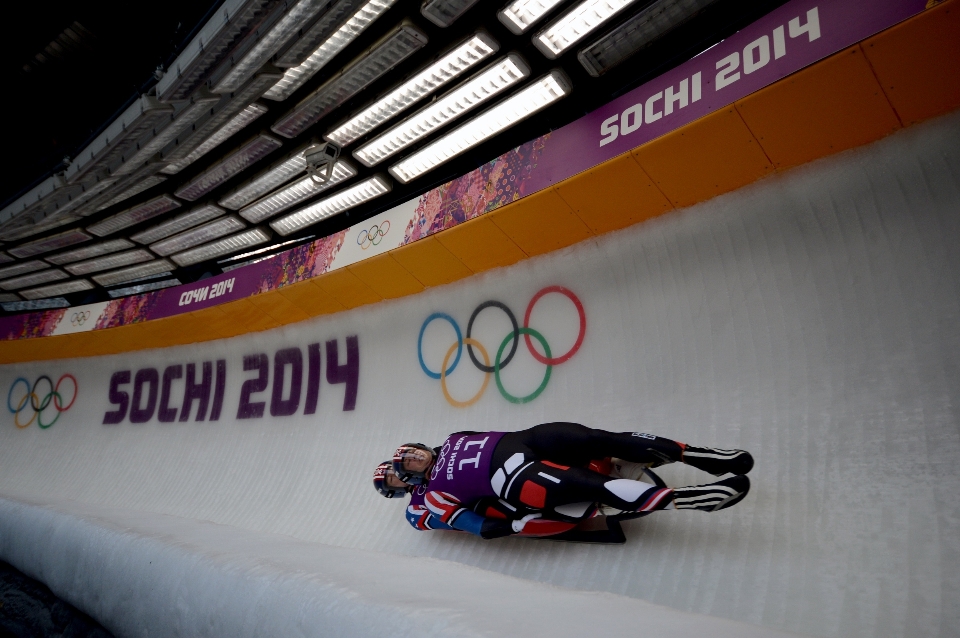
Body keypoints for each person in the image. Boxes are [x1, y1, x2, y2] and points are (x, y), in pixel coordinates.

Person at [373, 422, 753, 540]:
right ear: (406, 480)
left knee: (598, 438)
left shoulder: (454, 438)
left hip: (527, 440)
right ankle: (687, 499)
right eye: (404, 465)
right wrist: (516, 525)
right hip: (513, 478)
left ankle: (704, 456)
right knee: (590, 485)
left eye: (409, 452)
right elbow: (473, 524)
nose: (411, 458)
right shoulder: (432, 495)